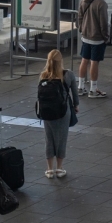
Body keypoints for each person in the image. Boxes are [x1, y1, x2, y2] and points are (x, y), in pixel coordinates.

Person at [37, 50, 76, 179]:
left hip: (47, 112)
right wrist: (75, 106)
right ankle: (59, 168)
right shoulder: (68, 75)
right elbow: (75, 95)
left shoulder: (43, 75)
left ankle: (49, 169)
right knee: (62, 139)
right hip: (63, 111)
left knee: (49, 139)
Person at [76, 0, 109, 99]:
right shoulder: (101, 3)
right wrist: (106, 37)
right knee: (94, 62)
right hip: (97, 38)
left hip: (85, 36)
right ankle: (93, 90)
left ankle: (80, 87)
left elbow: (79, 16)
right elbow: (104, 23)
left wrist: (81, 29)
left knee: (84, 60)